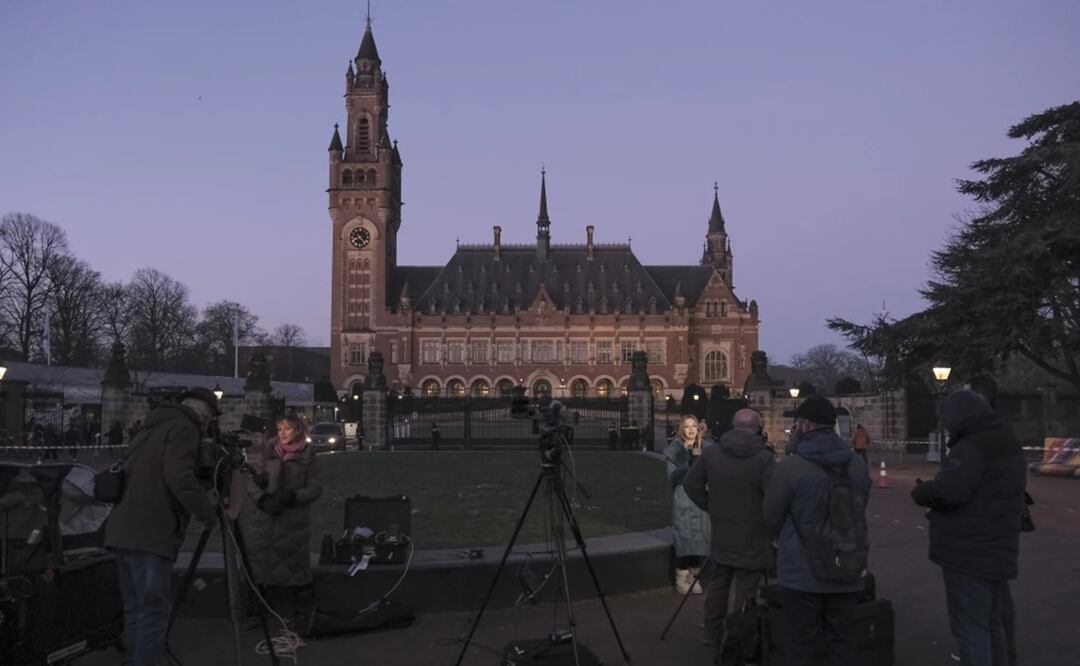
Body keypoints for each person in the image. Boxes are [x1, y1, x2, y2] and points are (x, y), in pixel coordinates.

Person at [104, 387, 218, 666]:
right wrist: (207, 512)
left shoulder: (151, 427)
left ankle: (133, 660)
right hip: (151, 533)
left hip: (121, 531)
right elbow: (179, 477)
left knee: (135, 608)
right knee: (153, 611)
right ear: (203, 416)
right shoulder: (184, 428)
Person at [911, 389, 1025, 666]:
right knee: (992, 623)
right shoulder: (1006, 440)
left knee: (971, 629)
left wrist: (922, 492)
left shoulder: (972, 446)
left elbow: (949, 491)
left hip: (969, 550)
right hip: (998, 542)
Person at [763, 394, 871, 665]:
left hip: (802, 572)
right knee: (843, 641)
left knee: (802, 644)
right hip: (848, 564)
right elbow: (861, 505)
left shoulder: (791, 467)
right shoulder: (856, 464)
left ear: (806, 425)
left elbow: (771, 516)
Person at [684, 408, 775, 646]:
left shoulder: (712, 453)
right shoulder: (764, 458)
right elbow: (772, 498)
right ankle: (738, 639)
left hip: (722, 529)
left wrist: (711, 506)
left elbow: (691, 483)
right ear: (757, 428)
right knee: (746, 589)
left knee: (718, 584)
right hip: (753, 532)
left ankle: (711, 633)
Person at [245, 412, 323, 635]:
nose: (283, 433)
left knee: (297, 570)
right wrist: (262, 499)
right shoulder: (268, 451)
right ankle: (257, 614)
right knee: (260, 568)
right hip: (266, 519)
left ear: (298, 429)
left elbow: (315, 488)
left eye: (287, 428)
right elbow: (252, 481)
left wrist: (294, 496)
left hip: (292, 522)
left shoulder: (308, 455)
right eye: (280, 429)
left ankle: (302, 615)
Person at [663, 414, 711, 595]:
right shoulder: (674, 451)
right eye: (686, 426)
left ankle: (694, 574)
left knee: (700, 535)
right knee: (684, 535)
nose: (690, 429)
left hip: (701, 496)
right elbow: (672, 477)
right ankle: (682, 576)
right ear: (681, 429)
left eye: (693, 426)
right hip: (683, 496)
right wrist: (688, 464)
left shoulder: (707, 448)